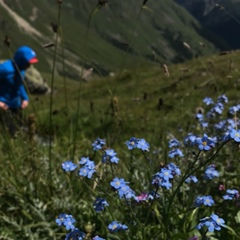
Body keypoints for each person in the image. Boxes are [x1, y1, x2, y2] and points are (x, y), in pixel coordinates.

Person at [0, 46, 38, 136]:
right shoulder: (4, 69)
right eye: (28, 63)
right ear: (21, 60)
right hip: (3, 106)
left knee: (16, 130)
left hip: (16, 106)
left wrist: (25, 98)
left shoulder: (21, 70)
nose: (29, 66)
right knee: (6, 132)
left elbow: (19, 84)